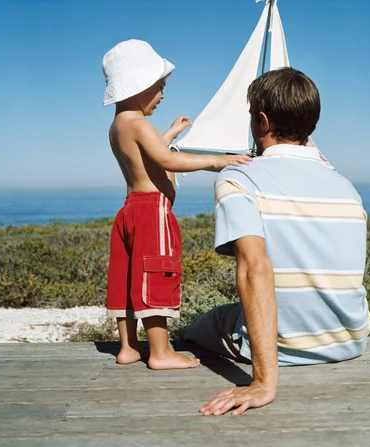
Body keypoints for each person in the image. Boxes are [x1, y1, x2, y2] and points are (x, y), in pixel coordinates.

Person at [181, 67, 370, 414]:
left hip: (286, 349)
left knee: (199, 326)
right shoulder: (347, 188)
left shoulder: (238, 178)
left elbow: (255, 269)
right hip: (350, 341)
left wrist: (263, 383)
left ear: (262, 122)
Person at [102, 39, 251, 370]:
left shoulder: (119, 126)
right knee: (156, 273)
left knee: (127, 278)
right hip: (152, 210)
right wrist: (216, 161)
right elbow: (165, 159)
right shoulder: (139, 124)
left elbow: (148, 154)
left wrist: (169, 132)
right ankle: (160, 352)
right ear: (138, 85)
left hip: (129, 210)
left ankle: (128, 348)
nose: (162, 95)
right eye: (159, 87)